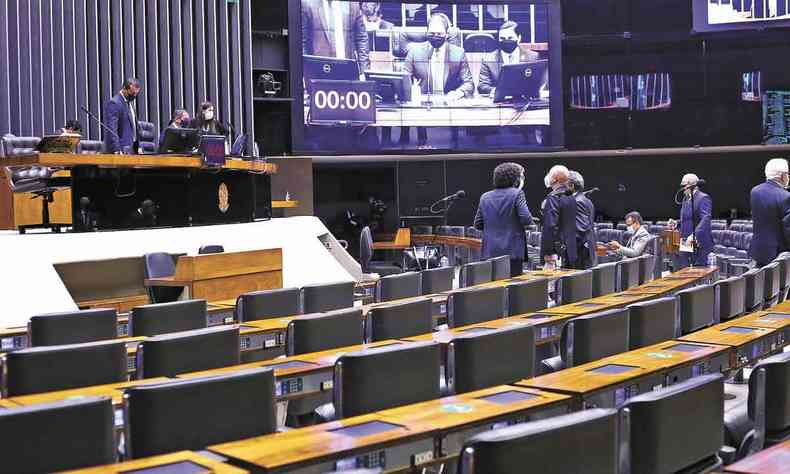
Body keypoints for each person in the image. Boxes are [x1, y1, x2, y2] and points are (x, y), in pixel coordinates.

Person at [404, 12, 474, 147]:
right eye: (431, 33)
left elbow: (469, 84)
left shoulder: (458, 53)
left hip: (449, 110)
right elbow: (403, 78)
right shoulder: (414, 51)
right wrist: (412, 89)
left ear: (447, 34)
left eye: (439, 34)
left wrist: (457, 93)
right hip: (421, 112)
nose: (435, 36)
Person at [473, 162, 534, 277]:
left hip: (489, 252)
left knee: (493, 289)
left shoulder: (485, 197)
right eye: (521, 176)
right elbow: (526, 219)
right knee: (513, 289)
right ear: (515, 179)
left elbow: (478, 224)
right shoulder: (517, 194)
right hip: (512, 253)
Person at [477, 21, 542, 97]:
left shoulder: (533, 57)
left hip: (524, 101)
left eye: (510, 38)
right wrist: (497, 91)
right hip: (499, 102)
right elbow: (482, 86)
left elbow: (538, 82)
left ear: (519, 38)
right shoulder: (488, 59)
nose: (506, 41)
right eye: (502, 38)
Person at [301, 0, 370, 72]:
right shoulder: (307, 4)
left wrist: (364, 71)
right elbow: (302, 41)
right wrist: (305, 72)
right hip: (318, 71)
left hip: (346, 70)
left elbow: (362, 39)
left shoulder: (352, 5)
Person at [749, 158, 790, 266]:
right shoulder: (786, 196)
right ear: (782, 176)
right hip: (778, 254)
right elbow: (788, 228)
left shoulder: (755, 191)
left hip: (758, 251)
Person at [668, 173, 713, 267]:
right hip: (686, 239)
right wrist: (677, 223)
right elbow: (687, 219)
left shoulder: (703, 198)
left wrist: (694, 235)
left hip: (698, 240)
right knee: (683, 266)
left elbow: (705, 219)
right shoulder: (686, 199)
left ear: (691, 185)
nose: (682, 188)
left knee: (698, 270)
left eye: (683, 185)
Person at [540, 165, 577, 269]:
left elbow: (551, 226)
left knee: (551, 284)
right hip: (569, 250)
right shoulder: (571, 197)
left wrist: (548, 252)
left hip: (555, 253)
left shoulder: (554, 197)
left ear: (554, 179)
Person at [103, 77, 141, 153]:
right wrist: (116, 149)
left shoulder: (129, 103)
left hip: (132, 150)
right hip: (121, 151)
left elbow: (134, 128)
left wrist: (138, 147)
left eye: (136, 94)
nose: (134, 97)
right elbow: (112, 130)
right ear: (124, 88)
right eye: (132, 93)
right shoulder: (115, 103)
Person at [569, 170, 596, 269]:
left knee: (578, 283)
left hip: (580, 253)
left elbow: (580, 229)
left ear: (571, 186)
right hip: (586, 250)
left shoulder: (576, 201)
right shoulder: (586, 200)